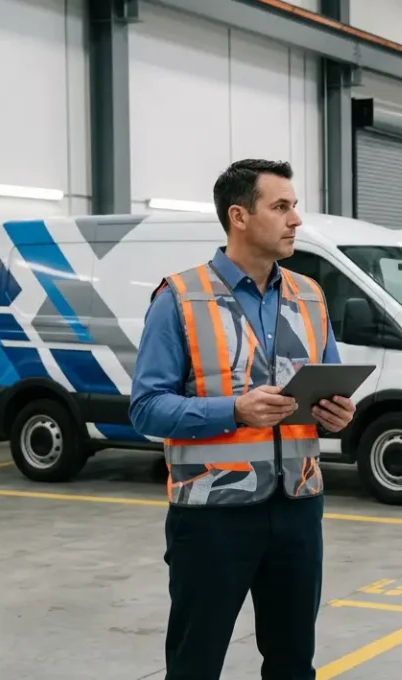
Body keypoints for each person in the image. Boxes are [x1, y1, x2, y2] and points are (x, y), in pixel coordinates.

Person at [129, 158, 355, 680]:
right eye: (281, 207)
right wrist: (234, 409)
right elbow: (145, 407)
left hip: (297, 509)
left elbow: (331, 386)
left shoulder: (309, 295)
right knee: (195, 664)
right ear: (239, 217)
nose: (295, 219)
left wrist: (337, 414)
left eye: (294, 206)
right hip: (212, 515)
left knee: (293, 664)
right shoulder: (179, 298)